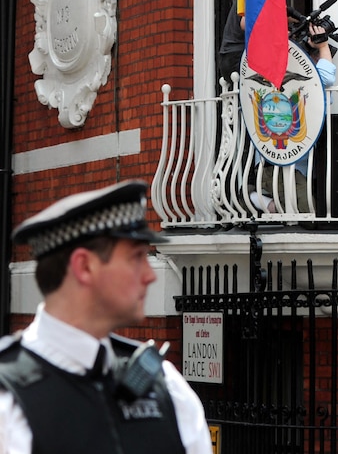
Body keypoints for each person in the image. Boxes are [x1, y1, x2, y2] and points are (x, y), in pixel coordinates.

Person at [0, 180, 212, 454]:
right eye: (136, 257)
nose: (149, 276)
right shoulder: (8, 405)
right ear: (84, 266)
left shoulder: (167, 388)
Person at [251, 24, 336, 213]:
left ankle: (256, 198)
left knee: (306, 210)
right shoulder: (275, 74)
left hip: (298, 166)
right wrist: (323, 47)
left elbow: (322, 84)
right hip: (275, 164)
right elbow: (326, 78)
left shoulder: (304, 83)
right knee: (307, 214)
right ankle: (258, 200)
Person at [218, 0, 297, 83]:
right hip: (237, 56)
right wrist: (277, 33)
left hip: (238, 54)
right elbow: (245, 23)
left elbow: (277, 16)